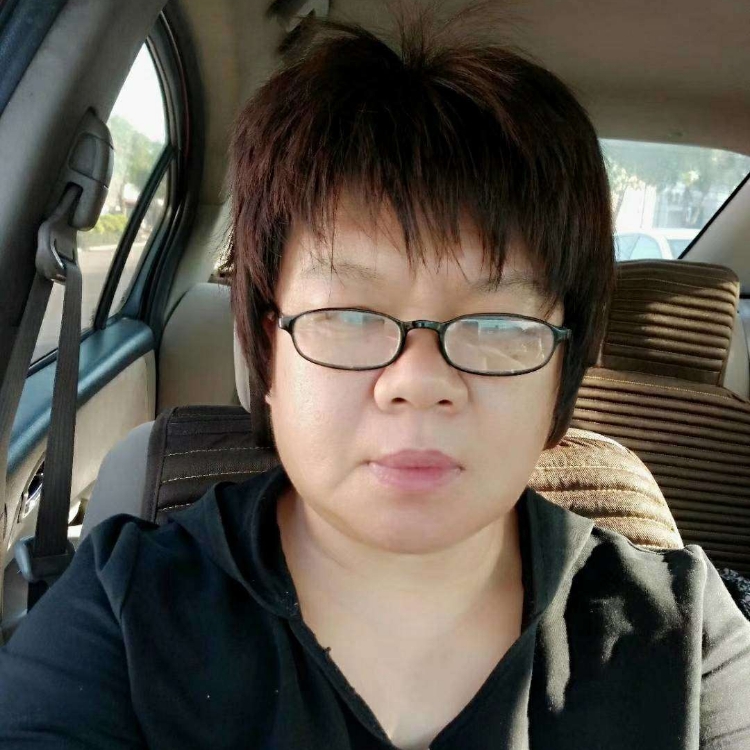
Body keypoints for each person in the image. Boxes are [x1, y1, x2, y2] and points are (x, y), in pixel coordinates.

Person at [1, 7, 749, 750]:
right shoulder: (120, 615)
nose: (418, 381)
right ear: (267, 354)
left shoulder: (691, 645)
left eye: (497, 324)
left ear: (563, 372)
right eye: (350, 314)